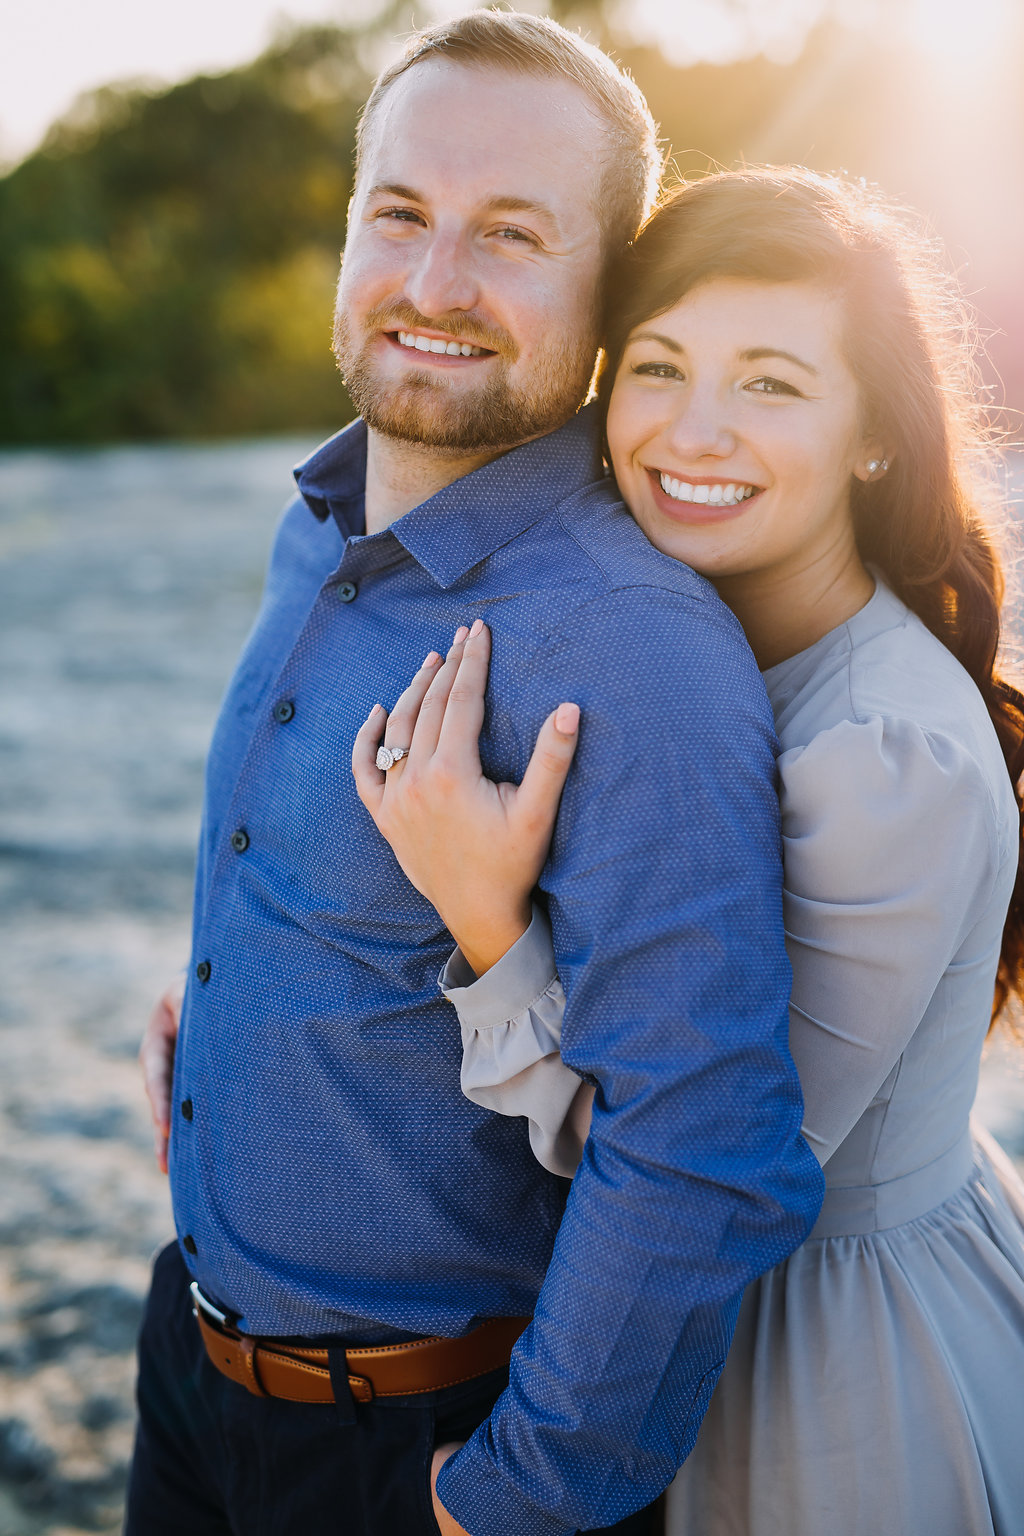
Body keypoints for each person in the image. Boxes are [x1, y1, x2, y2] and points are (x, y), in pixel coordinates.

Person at [131, 17, 824, 1536]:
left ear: (605, 289)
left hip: (427, 1450)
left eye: (511, 235)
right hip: (189, 1371)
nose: (436, 287)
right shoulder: (315, 526)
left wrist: (520, 1494)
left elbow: (706, 1141)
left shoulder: (631, 645)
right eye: (401, 214)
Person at [356, 166, 1024, 1535]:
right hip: (647, 1319)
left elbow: (699, 1149)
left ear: (873, 437)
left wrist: (491, 928)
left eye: (773, 385)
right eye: (658, 367)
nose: (695, 432)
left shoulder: (885, 755)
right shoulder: (675, 655)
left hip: (824, 1364)